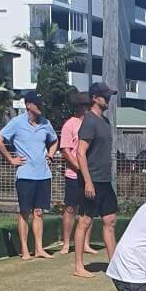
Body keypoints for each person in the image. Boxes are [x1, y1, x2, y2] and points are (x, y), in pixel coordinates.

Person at [0, 91, 59, 260]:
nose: (41, 107)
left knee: (39, 212)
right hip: (25, 175)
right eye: (38, 104)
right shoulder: (16, 122)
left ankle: (39, 248)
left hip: (43, 175)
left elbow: (55, 140)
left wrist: (50, 155)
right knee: (24, 212)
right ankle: (24, 249)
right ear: (29, 105)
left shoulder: (46, 123)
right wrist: (10, 159)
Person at [72, 82, 117, 277]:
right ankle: (79, 267)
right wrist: (88, 181)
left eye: (109, 96)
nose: (108, 99)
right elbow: (80, 153)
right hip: (92, 180)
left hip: (105, 180)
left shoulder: (105, 122)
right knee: (85, 221)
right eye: (105, 96)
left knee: (110, 220)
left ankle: (115, 264)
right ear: (94, 98)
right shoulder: (89, 121)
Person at [57, 103, 85, 255]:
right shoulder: (70, 125)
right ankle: (66, 243)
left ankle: (85, 243)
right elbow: (66, 152)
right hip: (73, 175)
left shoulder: (91, 124)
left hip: (90, 175)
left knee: (87, 209)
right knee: (70, 208)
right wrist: (80, 168)